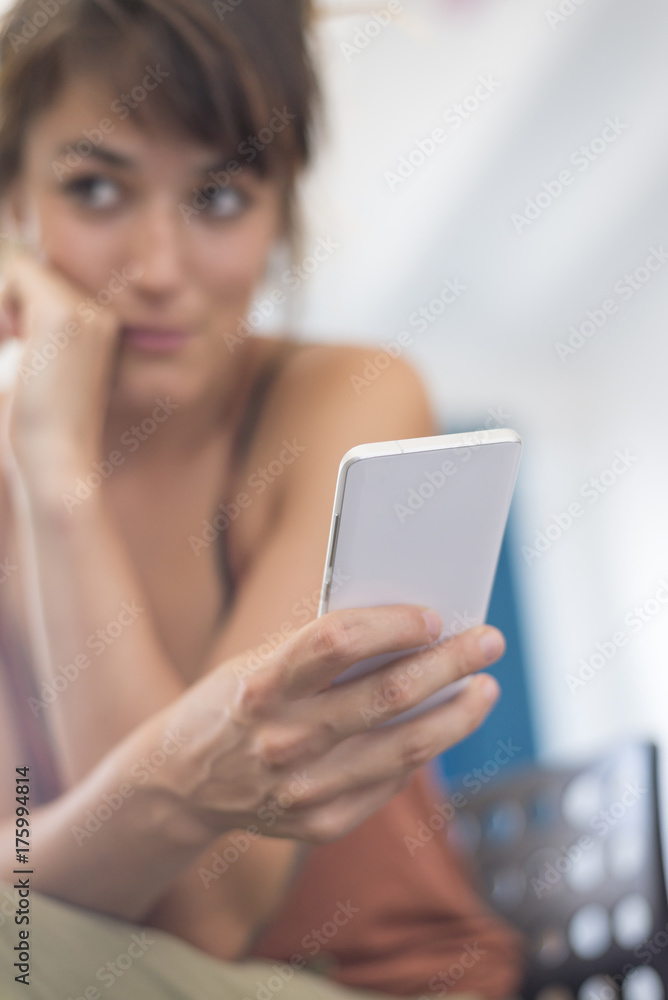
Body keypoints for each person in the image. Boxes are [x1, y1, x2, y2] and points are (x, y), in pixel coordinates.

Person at [0, 0, 525, 996]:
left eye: (218, 197)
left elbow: (202, 909)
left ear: (281, 212)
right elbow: (26, 880)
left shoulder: (348, 401)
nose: (157, 270)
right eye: (95, 188)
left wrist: (59, 482)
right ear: (15, 204)